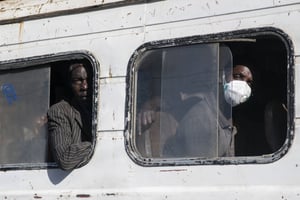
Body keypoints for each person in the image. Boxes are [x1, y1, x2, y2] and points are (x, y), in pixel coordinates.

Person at [137, 64, 253, 158]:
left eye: (248, 82)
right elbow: (171, 99)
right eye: (238, 76)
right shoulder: (200, 108)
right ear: (223, 76)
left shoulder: (231, 116)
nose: (243, 85)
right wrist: (149, 105)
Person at [47, 63, 93, 170]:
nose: (84, 87)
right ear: (70, 84)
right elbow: (64, 159)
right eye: (78, 80)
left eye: (89, 79)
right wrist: (98, 144)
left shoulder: (107, 108)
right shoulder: (60, 111)